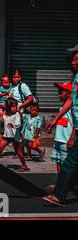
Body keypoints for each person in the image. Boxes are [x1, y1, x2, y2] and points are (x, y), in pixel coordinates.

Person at [43, 45, 78, 206]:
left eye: (76, 58)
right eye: (72, 59)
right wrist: (56, 118)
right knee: (72, 162)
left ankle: (60, 194)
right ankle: (64, 186)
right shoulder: (76, 77)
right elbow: (71, 99)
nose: (73, 62)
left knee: (69, 162)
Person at [46, 82, 75, 191]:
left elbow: (75, 125)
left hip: (65, 141)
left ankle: (65, 185)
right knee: (58, 162)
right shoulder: (61, 108)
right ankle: (60, 184)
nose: (58, 95)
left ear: (69, 94)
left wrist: (71, 139)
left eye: (61, 92)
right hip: (58, 139)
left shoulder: (72, 109)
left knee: (65, 165)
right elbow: (61, 122)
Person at [0, 98, 30, 172]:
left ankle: (25, 166)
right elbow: (2, 119)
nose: (15, 108)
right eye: (13, 106)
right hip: (6, 135)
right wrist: (0, 121)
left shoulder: (17, 114)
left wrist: (13, 125)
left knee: (19, 152)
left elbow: (18, 124)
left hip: (15, 136)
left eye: (16, 106)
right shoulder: (5, 114)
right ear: (8, 107)